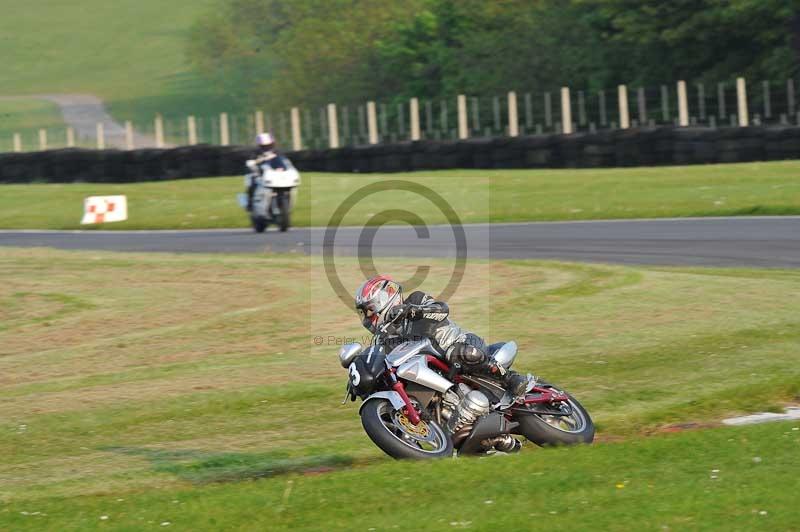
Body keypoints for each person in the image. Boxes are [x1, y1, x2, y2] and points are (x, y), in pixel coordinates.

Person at [354, 275, 529, 397]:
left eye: (370, 310)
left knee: (461, 353)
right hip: (432, 371)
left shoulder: (415, 299)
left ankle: (510, 378)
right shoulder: (382, 338)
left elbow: (442, 309)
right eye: (363, 313)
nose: (368, 317)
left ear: (384, 299)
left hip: (458, 344)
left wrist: (413, 311)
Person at [246, 133, 287, 211]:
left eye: (269, 145)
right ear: (259, 145)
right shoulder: (255, 152)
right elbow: (250, 161)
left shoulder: (277, 151)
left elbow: (283, 161)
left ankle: (284, 202)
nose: (267, 147)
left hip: (276, 174)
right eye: (264, 146)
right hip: (260, 174)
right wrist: (253, 164)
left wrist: (282, 168)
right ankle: (250, 203)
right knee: (252, 183)